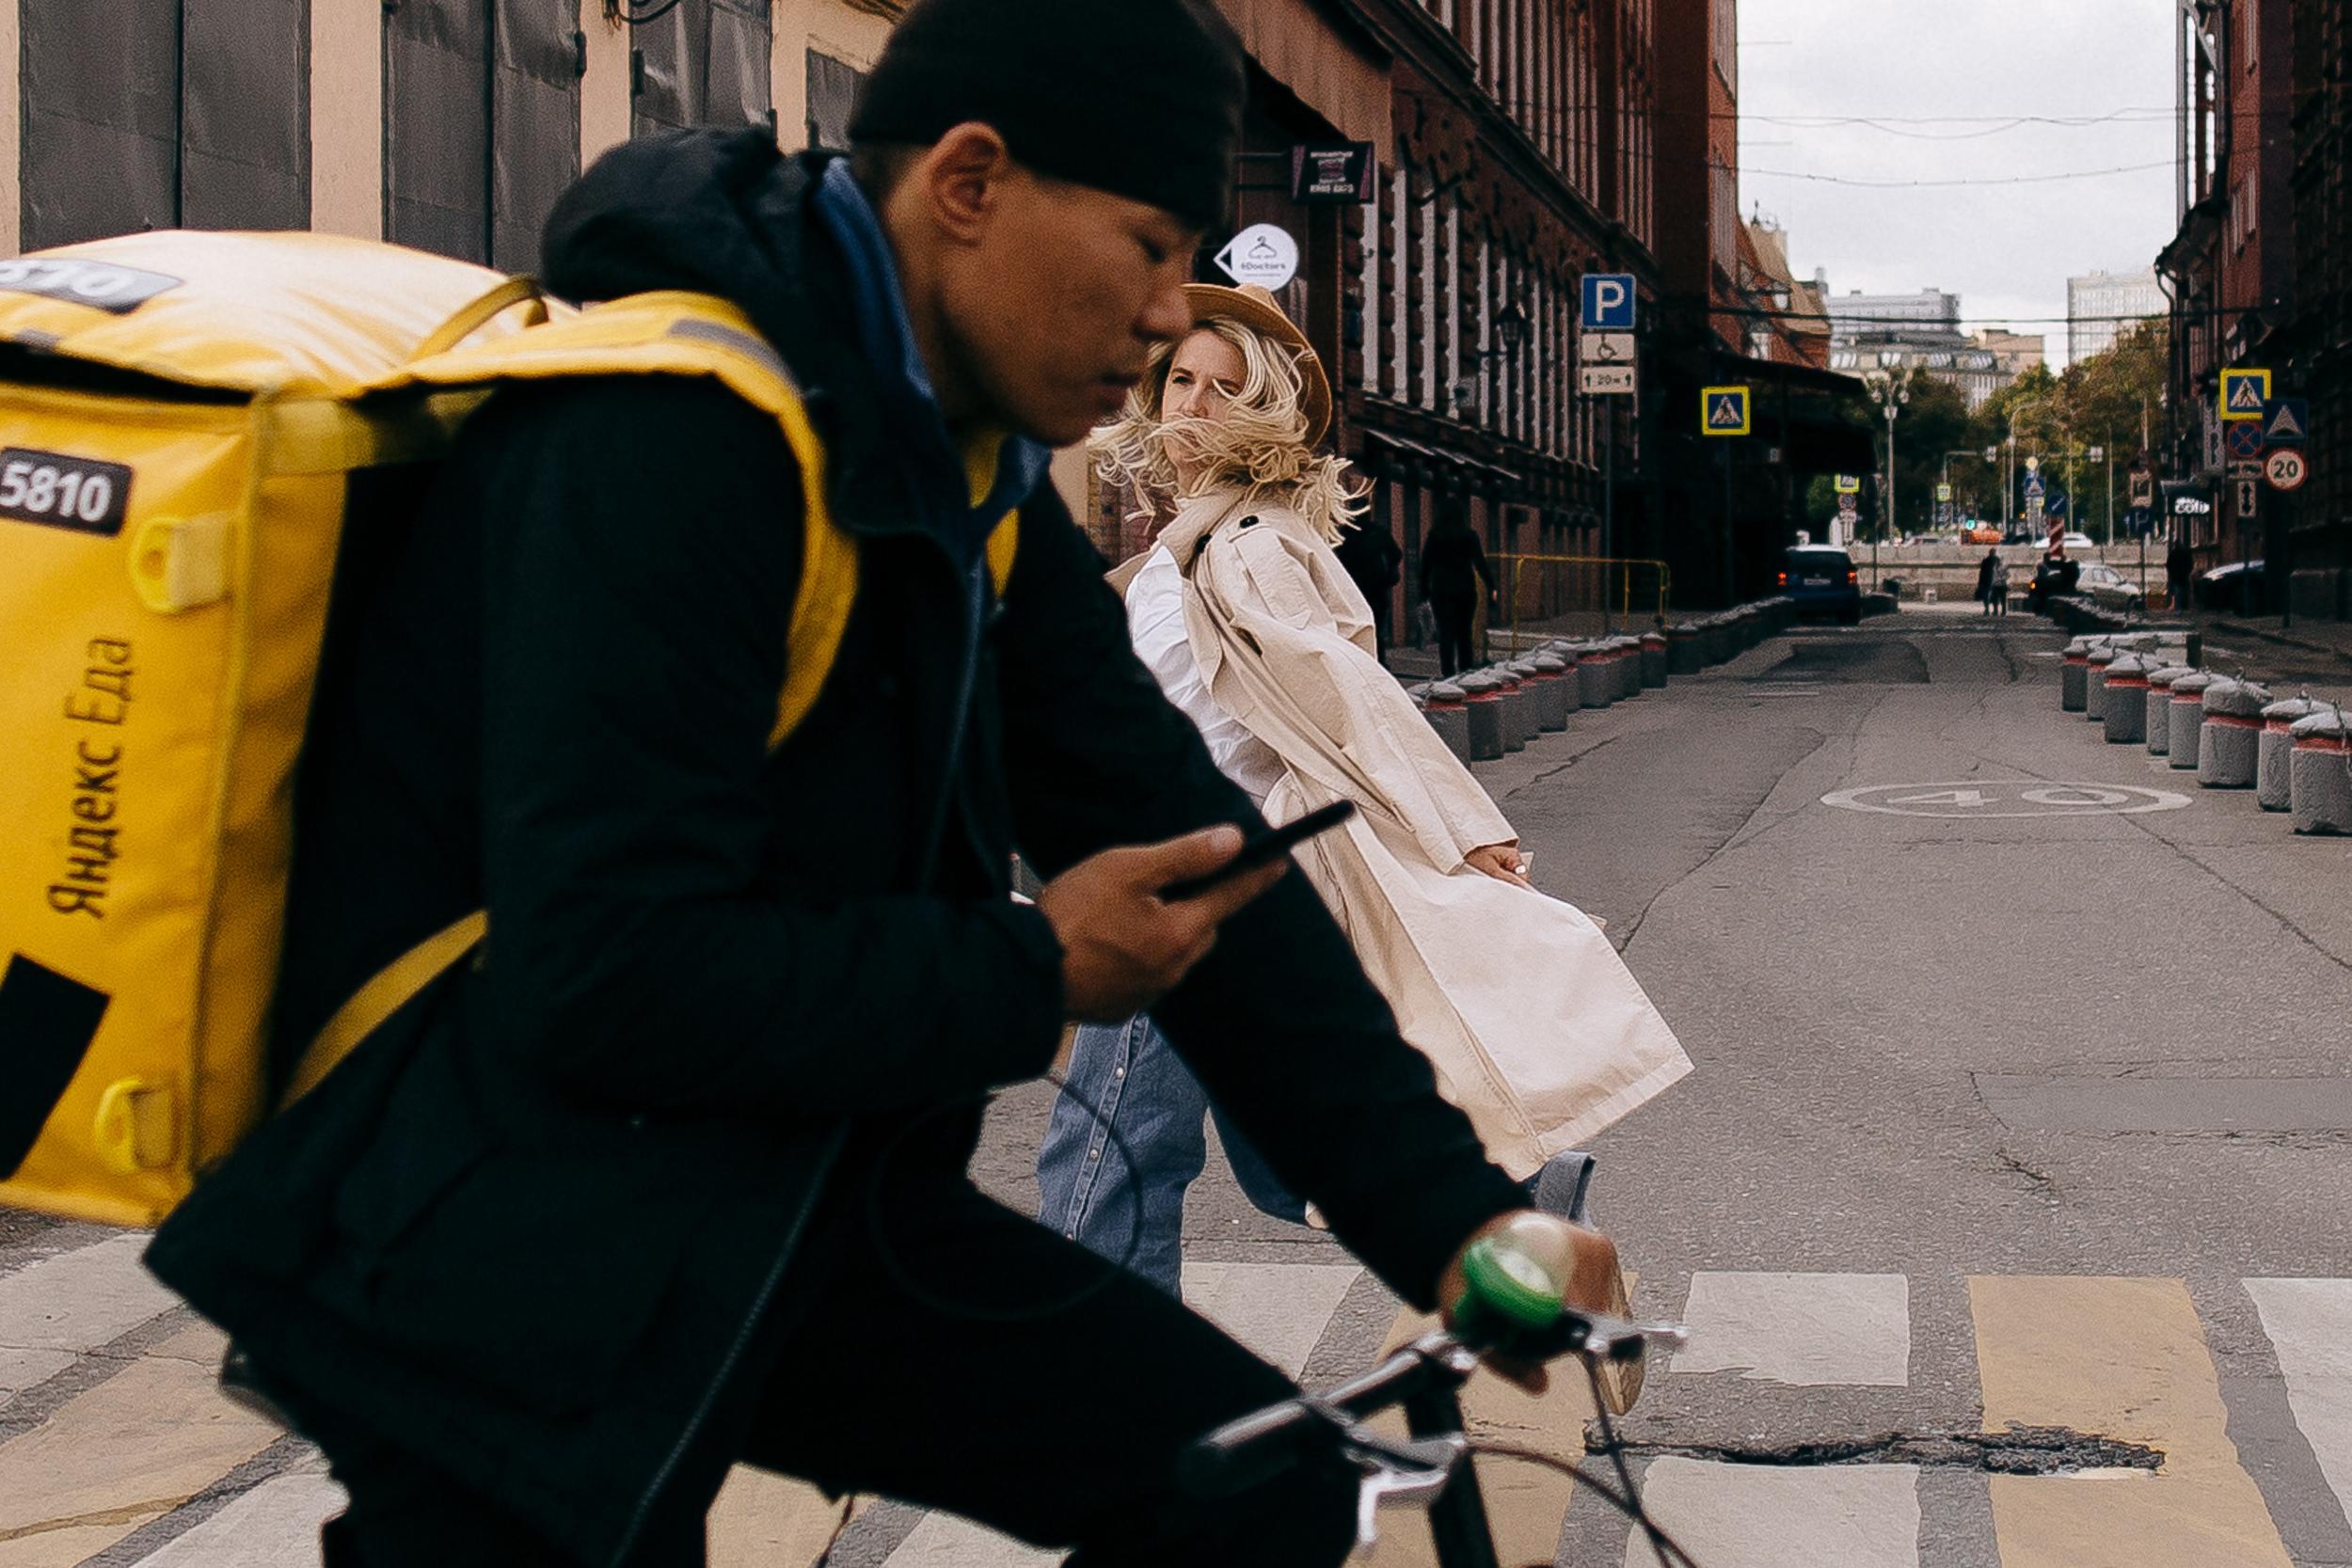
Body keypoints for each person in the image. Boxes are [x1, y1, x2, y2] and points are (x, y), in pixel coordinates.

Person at [143, 3, 1621, 1565]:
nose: (1165, 319)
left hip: (783, 1203)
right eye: (1144, 243)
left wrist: (1455, 1225)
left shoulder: (953, 470)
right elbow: (607, 969)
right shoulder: (667, 437)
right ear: (970, 185)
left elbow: (1195, 851)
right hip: (501, 1242)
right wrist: (1034, 968)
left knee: (1253, 1487)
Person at [1040, 285, 1690, 1302]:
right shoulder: (1174, 557)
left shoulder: (1246, 548)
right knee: (1277, 1157)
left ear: (1261, 415)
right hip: (1209, 887)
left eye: (1222, 388)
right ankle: (1528, 1211)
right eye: (1180, 380)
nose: (1192, 405)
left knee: (1109, 1146)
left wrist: (1464, 831)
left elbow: (1353, 701)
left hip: (1204, 877)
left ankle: (1092, 1382)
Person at [1421, 499, 1494, 675]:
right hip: (1465, 590)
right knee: (1464, 632)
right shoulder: (1469, 536)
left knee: (1446, 633)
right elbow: (1480, 563)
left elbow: (1425, 566)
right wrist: (1491, 586)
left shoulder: (1435, 536)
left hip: (1441, 590)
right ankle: (1465, 671)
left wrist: (1423, 593)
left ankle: (1448, 673)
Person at [2167, 535, 2195, 610]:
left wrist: (2171, 573)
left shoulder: (2173, 553)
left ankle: (2178, 607)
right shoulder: (2185, 552)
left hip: (2176, 576)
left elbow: (2168, 565)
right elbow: (2191, 563)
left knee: (2178, 592)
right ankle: (2184, 607)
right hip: (2183, 575)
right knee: (2184, 591)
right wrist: (2188, 571)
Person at [1975, 548, 1999, 617]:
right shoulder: (1997, 560)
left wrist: (1980, 582)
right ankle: (1995, 610)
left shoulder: (1986, 560)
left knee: (1986, 596)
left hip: (1986, 581)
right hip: (1994, 581)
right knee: (1994, 596)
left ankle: (1987, 610)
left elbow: (1982, 572)